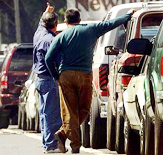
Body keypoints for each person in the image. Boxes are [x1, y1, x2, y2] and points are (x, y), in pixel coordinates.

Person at [45, 8, 136, 153]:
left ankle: (63, 134)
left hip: (66, 75)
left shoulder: (60, 37)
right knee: (84, 109)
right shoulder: (91, 29)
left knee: (70, 111)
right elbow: (112, 23)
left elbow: (48, 58)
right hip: (84, 75)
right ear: (80, 20)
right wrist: (128, 15)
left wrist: (56, 76)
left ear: (65, 21)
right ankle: (74, 145)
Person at [33, 2, 62, 154]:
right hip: (49, 79)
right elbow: (53, 61)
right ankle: (51, 145)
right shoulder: (51, 40)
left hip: (40, 78)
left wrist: (46, 12)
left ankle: (47, 145)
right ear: (56, 25)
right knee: (52, 114)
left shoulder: (39, 34)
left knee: (45, 114)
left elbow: (41, 24)